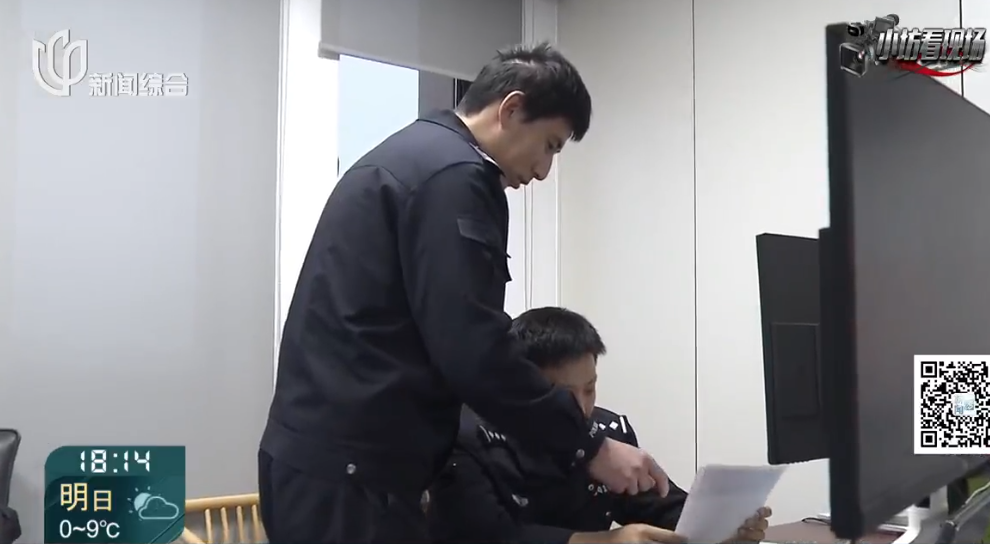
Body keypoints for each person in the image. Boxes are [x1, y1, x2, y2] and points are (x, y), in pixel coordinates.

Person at [258, 43, 669, 543]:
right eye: (549, 145)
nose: (543, 170)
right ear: (511, 109)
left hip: (326, 465)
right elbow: (472, 345)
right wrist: (587, 446)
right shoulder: (455, 177)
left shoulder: (412, 156)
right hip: (355, 477)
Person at [427, 307, 773, 544]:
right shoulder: (465, 435)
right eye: (562, 395)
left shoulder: (606, 434)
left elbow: (659, 507)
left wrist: (721, 529)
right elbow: (485, 535)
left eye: (590, 388)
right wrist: (605, 541)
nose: (580, 409)